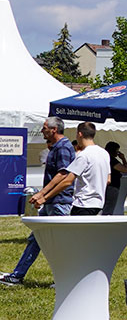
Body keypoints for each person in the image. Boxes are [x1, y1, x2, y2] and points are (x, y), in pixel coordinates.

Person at [5, 119, 108, 288]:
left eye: (45, 128)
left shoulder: (79, 153)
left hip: (74, 203)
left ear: (79, 134)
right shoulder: (103, 153)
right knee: (38, 237)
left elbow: (65, 178)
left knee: (66, 244)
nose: (42, 131)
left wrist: (43, 195)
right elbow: (107, 179)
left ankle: (66, 279)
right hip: (94, 203)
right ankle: (18, 275)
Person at [101, 141, 127, 215]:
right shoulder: (112, 160)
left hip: (104, 185)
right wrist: (123, 158)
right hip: (112, 186)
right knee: (109, 207)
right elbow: (126, 170)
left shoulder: (104, 158)